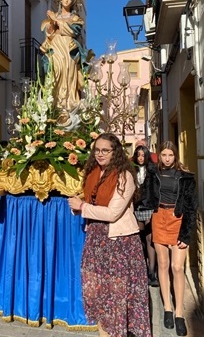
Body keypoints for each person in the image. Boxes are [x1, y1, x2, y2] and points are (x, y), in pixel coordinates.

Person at [68, 133, 151, 337]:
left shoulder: (124, 176)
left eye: (105, 150)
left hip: (119, 244)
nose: (100, 154)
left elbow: (113, 213)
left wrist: (83, 207)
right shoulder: (94, 173)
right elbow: (92, 201)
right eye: (97, 150)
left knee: (116, 298)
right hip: (96, 240)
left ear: (115, 152)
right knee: (97, 295)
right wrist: (79, 206)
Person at [144, 141, 198, 337]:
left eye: (170, 155)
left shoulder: (185, 177)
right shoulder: (153, 174)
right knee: (163, 264)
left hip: (178, 219)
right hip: (159, 218)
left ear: (175, 156)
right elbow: (145, 196)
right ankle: (167, 307)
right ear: (160, 155)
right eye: (164, 155)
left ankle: (180, 313)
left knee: (177, 267)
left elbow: (192, 206)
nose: (167, 158)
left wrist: (186, 233)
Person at [40, 0, 92, 118]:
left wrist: (56, 20)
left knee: (68, 73)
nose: (67, 0)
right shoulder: (54, 15)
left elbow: (73, 31)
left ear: (73, 3)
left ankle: (69, 105)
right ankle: (55, 104)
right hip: (55, 46)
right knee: (55, 71)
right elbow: (50, 34)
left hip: (69, 49)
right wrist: (52, 23)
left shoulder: (75, 18)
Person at [132, 144, 159, 287]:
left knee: (150, 239)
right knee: (139, 238)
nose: (141, 158)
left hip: (149, 206)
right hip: (136, 207)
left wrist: (154, 205)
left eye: (143, 155)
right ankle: (141, 269)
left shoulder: (152, 170)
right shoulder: (131, 170)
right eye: (138, 155)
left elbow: (156, 189)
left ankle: (151, 272)